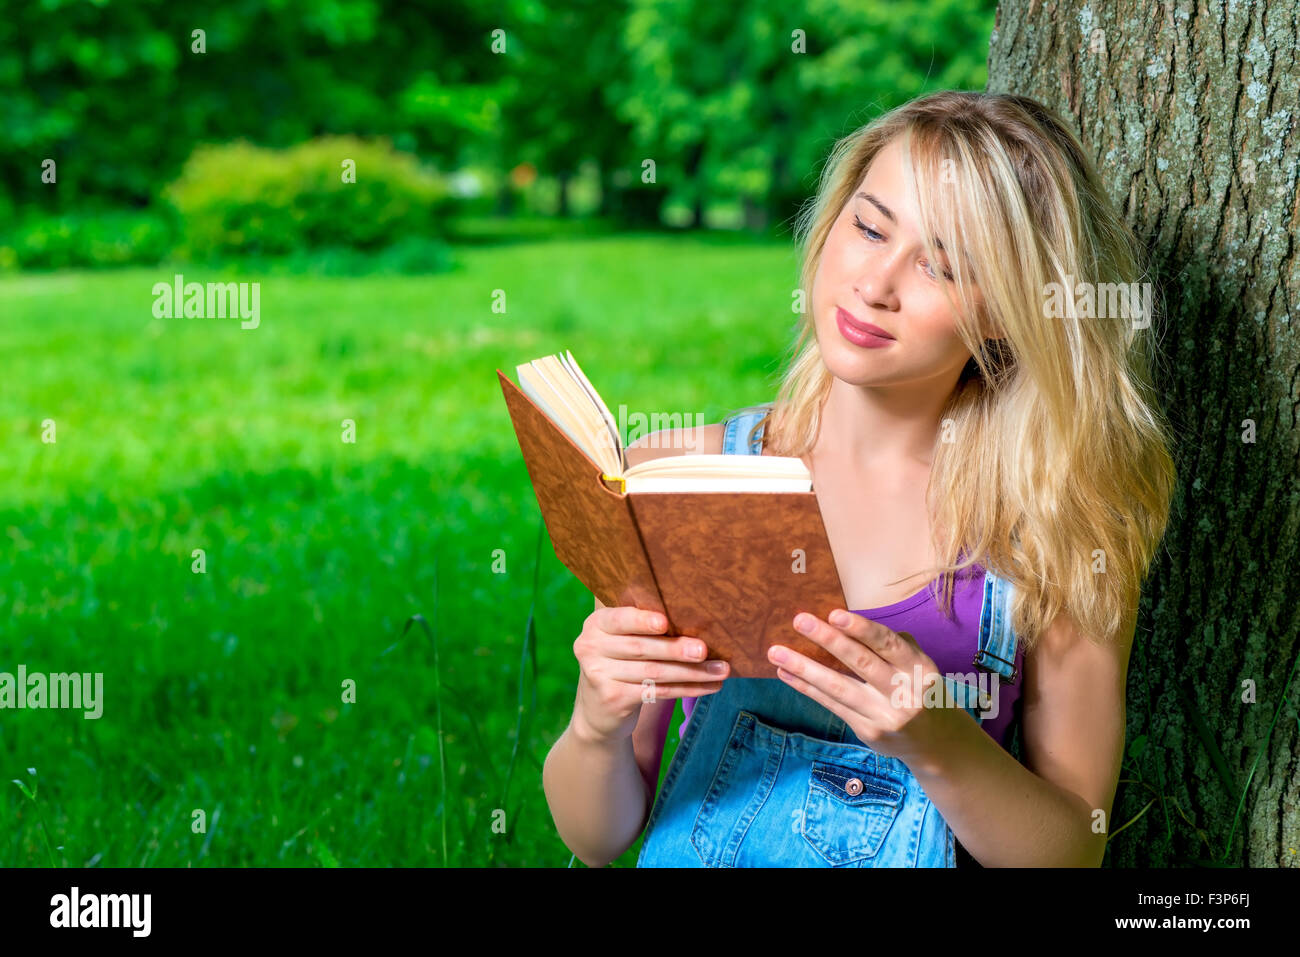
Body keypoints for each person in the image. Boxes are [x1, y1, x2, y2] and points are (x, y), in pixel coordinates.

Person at [541, 90, 1176, 868]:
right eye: (870, 227)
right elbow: (596, 836)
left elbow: (1072, 851)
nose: (877, 283)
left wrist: (942, 744)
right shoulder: (673, 478)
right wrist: (594, 722)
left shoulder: (1058, 527)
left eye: (943, 266)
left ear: (1008, 313)